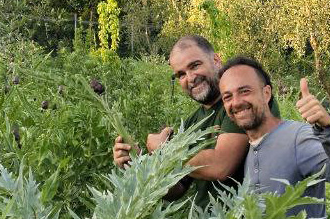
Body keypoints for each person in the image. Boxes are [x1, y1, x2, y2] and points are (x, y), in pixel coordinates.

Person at [218, 56, 330, 219]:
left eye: (245, 91)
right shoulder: (247, 149)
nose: (236, 102)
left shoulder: (298, 137)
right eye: (227, 97)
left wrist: (328, 127)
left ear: (266, 93)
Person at [112, 35, 279, 206]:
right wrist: (139, 162)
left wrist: (165, 149)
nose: (190, 78)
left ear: (216, 60)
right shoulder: (193, 122)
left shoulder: (242, 105)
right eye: (181, 74)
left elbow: (221, 166)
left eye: (195, 65)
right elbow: (176, 189)